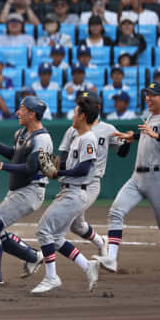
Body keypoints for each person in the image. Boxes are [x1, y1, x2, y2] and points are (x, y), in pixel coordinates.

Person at [94, 82, 160, 273]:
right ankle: (111, 259)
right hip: (136, 177)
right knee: (115, 212)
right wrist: (134, 136)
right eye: (147, 94)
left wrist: (156, 135)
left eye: (153, 95)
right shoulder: (151, 116)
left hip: (158, 177)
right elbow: (149, 136)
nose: (148, 98)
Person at [0, 96, 52, 285]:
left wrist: (1, 166)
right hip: (19, 189)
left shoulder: (42, 138)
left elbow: (30, 167)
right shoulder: (22, 133)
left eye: (22, 109)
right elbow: (14, 154)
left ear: (33, 114)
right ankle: (33, 257)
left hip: (31, 190)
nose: (18, 112)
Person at [31, 95, 101, 293]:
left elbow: (84, 169)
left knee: (44, 230)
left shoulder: (88, 139)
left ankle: (51, 277)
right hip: (70, 192)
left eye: (77, 111)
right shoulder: (78, 137)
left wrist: (57, 172)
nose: (73, 114)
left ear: (83, 116)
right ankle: (88, 266)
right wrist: (53, 167)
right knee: (57, 238)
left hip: (75, 193)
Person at [58, 91, 131, 253]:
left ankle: (41, 255)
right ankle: (101, 241)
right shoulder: (73, 130)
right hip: (71, 181)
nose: (82, 105)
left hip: (91, 183)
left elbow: (122, 152)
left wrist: (127, 142)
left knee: (64, 218)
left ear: (96, 107)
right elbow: (63, 157)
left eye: (86, 102)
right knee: (77, 226)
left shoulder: (107, 129)